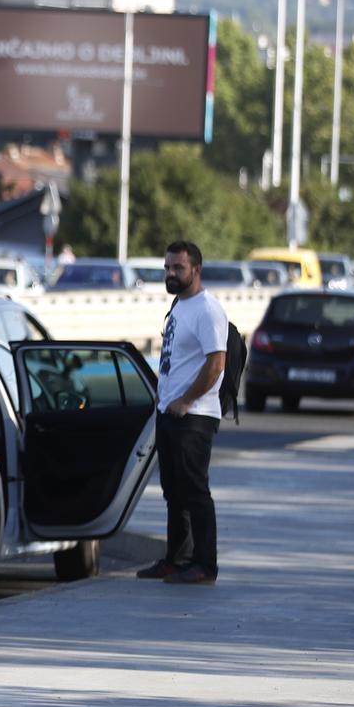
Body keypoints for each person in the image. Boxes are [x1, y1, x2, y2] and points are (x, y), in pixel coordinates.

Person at [136, 240, 226, 586]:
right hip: (170, 412)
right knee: (173, 491)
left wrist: (187, 400)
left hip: (195, 415)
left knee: (194, 491)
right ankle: (176, 560)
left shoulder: (207, 310)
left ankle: (205, 564)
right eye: (167, 267)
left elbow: (216, 363)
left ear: (196, 270)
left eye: (178, 268)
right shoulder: (179, 306)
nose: (170, 274)